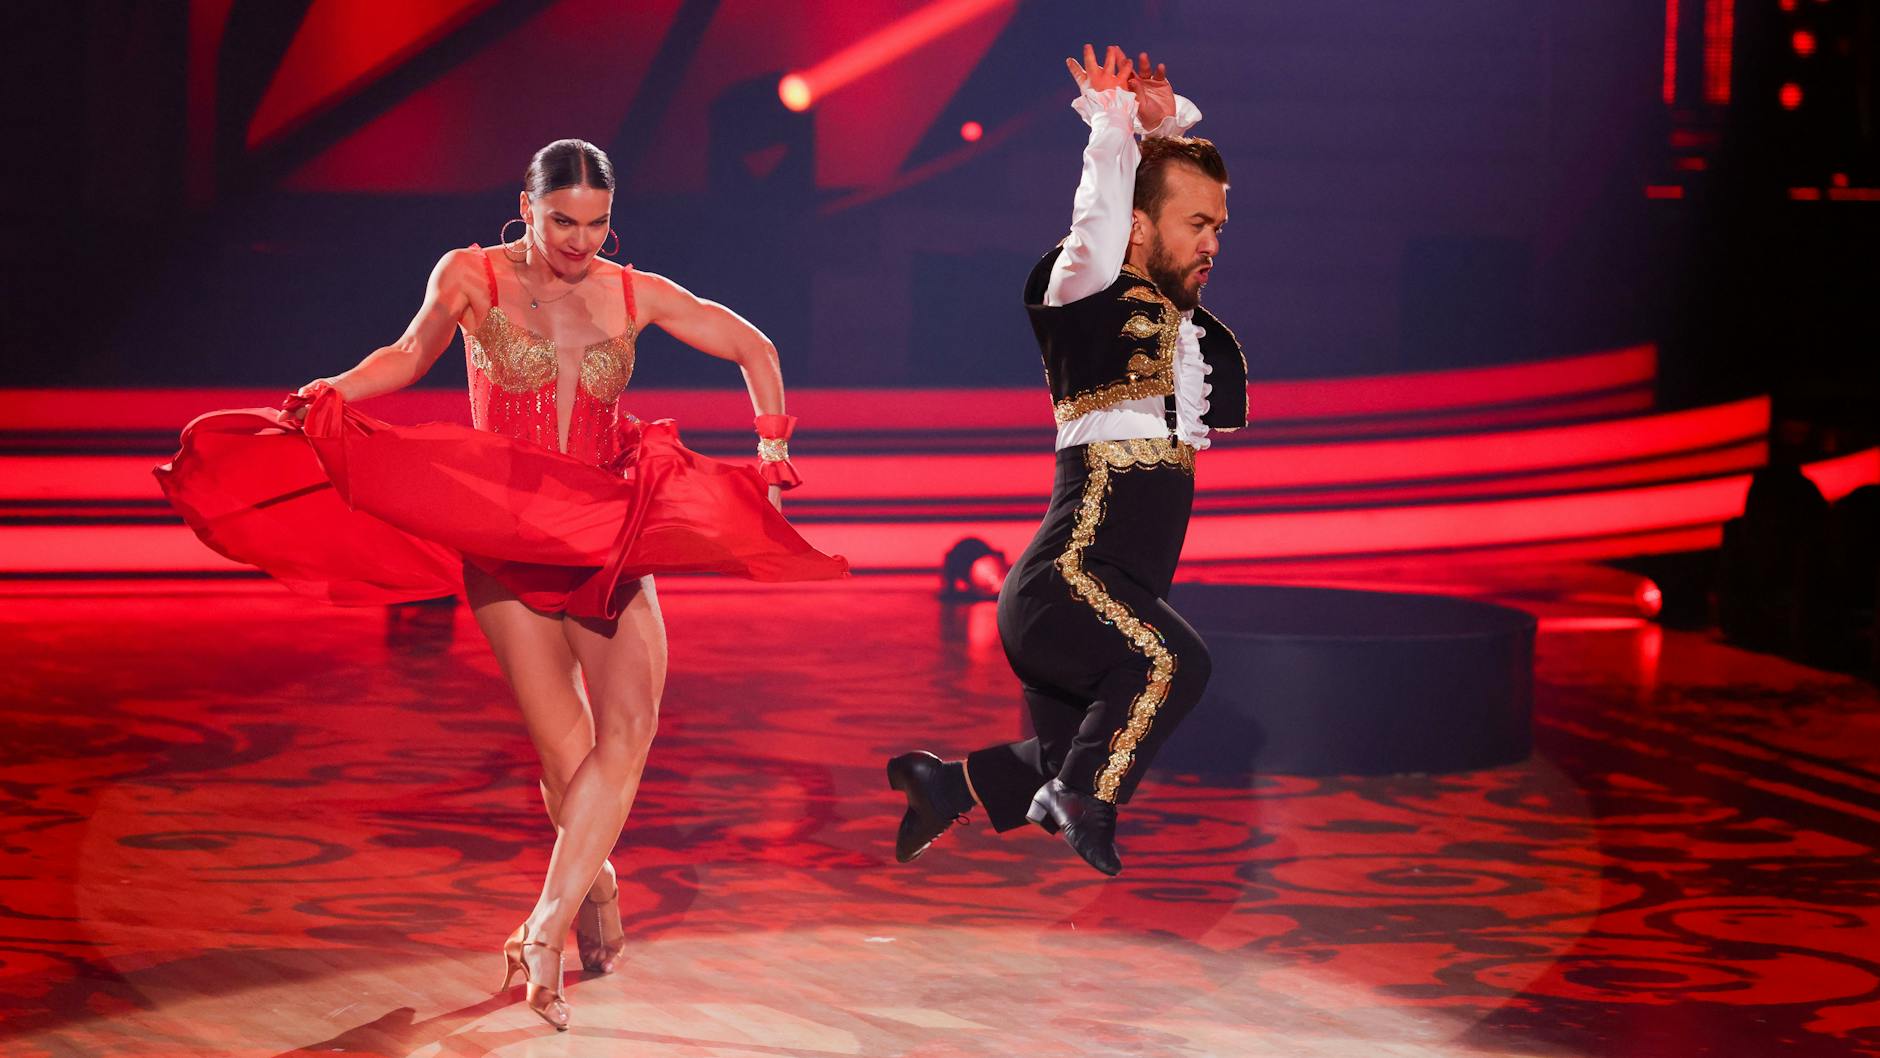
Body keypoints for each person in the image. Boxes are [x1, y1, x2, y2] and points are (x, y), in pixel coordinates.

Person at [156, 139, 846, 1030]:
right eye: (563, 221)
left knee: (629, 733)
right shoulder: (470, 275)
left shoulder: (633, 293)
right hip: (506, 538)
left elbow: (754, 344)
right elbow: (405, 357)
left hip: (608, 530)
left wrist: (773, 441)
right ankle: (592, 884)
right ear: (526, 207)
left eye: (597, 224)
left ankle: (541, 928)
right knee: (570, 765)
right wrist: (335, 391)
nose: (580, 241)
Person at [886, 47, 1246, 876]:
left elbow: (1171, 182)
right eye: (1199, 225)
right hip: (1068, 583)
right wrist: (1116, 126)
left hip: (1097, 593)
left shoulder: (1173, 321)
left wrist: (1169, 125)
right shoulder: (1084, 287)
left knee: (1068, 750)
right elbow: (1103, 207)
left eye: (1220, 226)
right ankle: (1084, 800)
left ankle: (947, 785)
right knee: (1171, 662)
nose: (1214, 243)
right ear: (1139, 226)